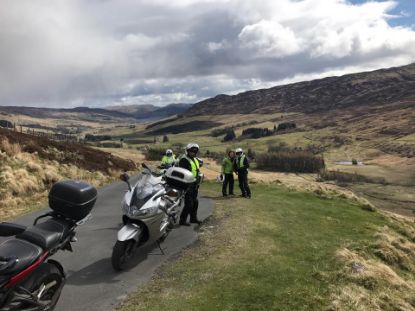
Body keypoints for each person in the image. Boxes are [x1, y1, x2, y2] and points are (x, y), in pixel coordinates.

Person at [178, 143, 202, 226]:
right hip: (187, 184)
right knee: (189, 204)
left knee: (195, 202)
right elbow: (184, 173)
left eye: (195, 151)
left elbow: (197, 170)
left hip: (195, 184)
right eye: (192, 151)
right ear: (187, 151)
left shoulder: (195, 159)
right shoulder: (184, 160)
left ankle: (193, 218)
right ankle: (182, 220)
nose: (194, 153)